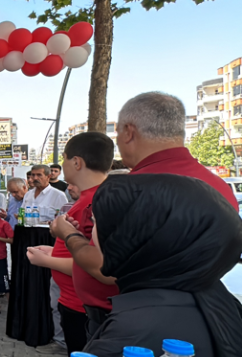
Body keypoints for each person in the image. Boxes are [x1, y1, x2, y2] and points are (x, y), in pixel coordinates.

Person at [51, 92, 239, 335]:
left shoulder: (132, 190)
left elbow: (105, 268)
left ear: (129, 132)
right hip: (196, 316)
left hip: (124, 321)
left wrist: (68, 234)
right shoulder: (218, 185)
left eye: (118, 134)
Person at [82, 173, 242, 357]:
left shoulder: (138, 326)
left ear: (132, 236)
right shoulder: (210, 296)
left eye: (98, 224)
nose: (94, 235)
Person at [28, 133, 112, 354]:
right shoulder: (86, 199)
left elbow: (102, 266)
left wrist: (48, 260)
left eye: (64, 159)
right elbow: (81, 245)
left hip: (84, 306)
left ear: (76, 162)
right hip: (76, 301)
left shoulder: (100, 201)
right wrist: (56, 249)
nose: (61, 166)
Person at [6, 164, 67, 348]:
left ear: (48, 177)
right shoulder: (29, 194)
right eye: (32, 175)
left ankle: (44, 330)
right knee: (24, 282)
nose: (34, 178)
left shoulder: (58, 195)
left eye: (39, 175)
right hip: (26, 238)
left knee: (41, 285)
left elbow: (62, 221)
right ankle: (21, 325)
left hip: (45, 240)